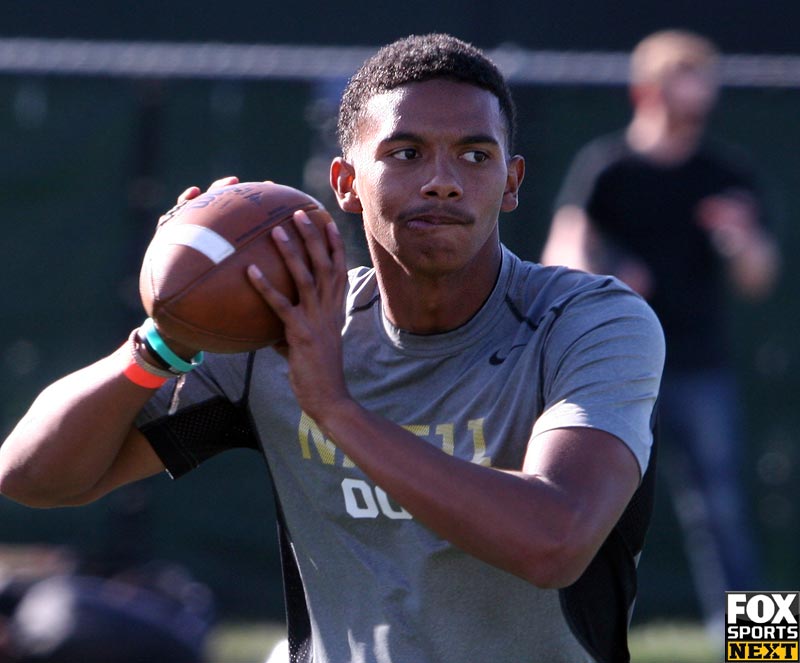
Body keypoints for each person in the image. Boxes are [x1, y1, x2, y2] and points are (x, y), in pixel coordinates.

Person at [0, 34, 664, 663]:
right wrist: (167, 335)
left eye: (475, 154)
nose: (443, 179)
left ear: (512, 180)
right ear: (345, 182)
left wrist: (335, 408)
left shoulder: (585, 321)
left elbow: (554, 541)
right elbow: (33, 477)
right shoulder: (281, 330)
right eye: (405, 152)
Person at [541, 29, 780, 632]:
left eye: (702, 82)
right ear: (646, 89)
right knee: (594, 509)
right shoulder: (608, 167)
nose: (695, 96)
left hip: (701, 367)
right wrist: (614, 274)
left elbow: (759, 278)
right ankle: (579, 638)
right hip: (617, 372)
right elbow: (561, 253)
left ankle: (763, 647)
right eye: (682, 81)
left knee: (726, 513)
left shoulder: (726, 172)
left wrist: (740, 237)